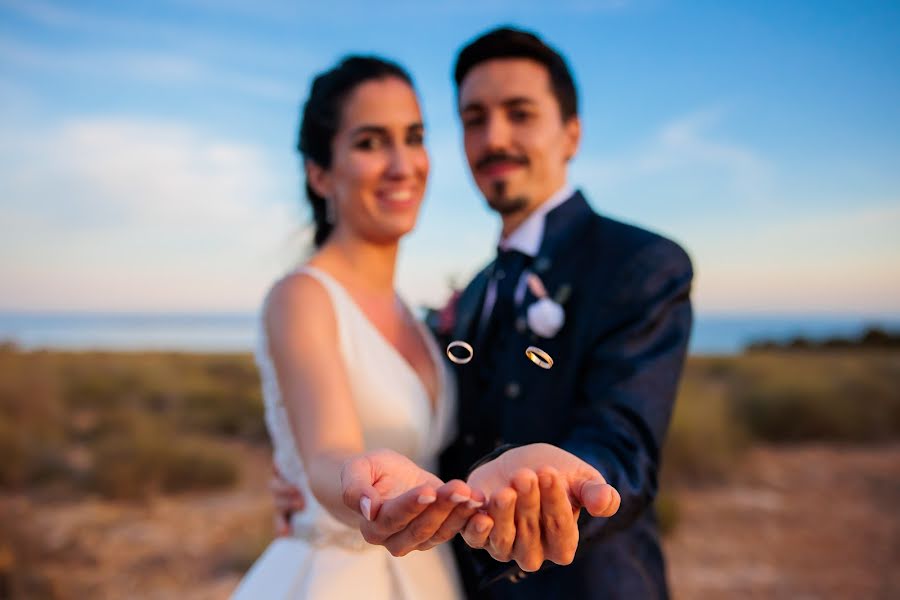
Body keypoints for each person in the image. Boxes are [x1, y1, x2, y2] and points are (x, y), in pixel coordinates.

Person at [272, 26, 693, 599]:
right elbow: (435, 448)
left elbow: (624, 446)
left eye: (520, 113)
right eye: (474, 119)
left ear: (572, 133)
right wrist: (316, 483)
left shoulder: (640, 264)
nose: (494, 138)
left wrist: (562, 480)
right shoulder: (470, 297)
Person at [233, 55, 475, 599]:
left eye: (413, 137)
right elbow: (326, 454)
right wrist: (361, 480)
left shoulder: (415, 315)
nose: (401, 164)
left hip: (431, 577)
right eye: (369, 143)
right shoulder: (303, 297)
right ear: (320, 173)